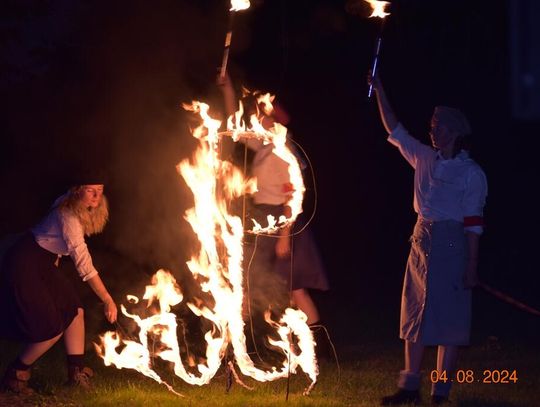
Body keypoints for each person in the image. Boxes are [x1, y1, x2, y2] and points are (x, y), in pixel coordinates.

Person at [368, 73, 488, 406]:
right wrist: (380, 87)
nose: (433, 130)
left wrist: (472, 266)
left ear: (454, 132)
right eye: (432, 125)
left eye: (439, 127)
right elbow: (394, 128)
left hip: (452, 245)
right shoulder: (423, 156)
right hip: (421, 241)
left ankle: (441, 393)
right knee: (415, 313)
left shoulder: (470, 172)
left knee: (448, 319)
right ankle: (409, 387)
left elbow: (474, 223)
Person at [217, 74, 329, 339]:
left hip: (282, 222)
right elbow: (234, 123)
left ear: (273, 119)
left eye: (261, 115)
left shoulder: (282, 151)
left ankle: (318, 344)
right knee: (249, 281)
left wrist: (283, 237)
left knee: (293, 287)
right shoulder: (264, 143)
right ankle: (243, 344)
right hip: (265, 218)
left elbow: (292, 199)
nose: (255, 119)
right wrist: (228, 88)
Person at [0, 180, 118, 394]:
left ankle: (76, 373)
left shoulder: (72, 203)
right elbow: (84, 263)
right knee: (50, 327)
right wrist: (107, 298)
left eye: (99, 191)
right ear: (77, 191)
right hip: (24, 263)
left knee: (74, 311)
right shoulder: (68, 215)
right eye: (90, 191)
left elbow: (51, 240)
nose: (95, 197)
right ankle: (16, 374)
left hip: (44, 262)